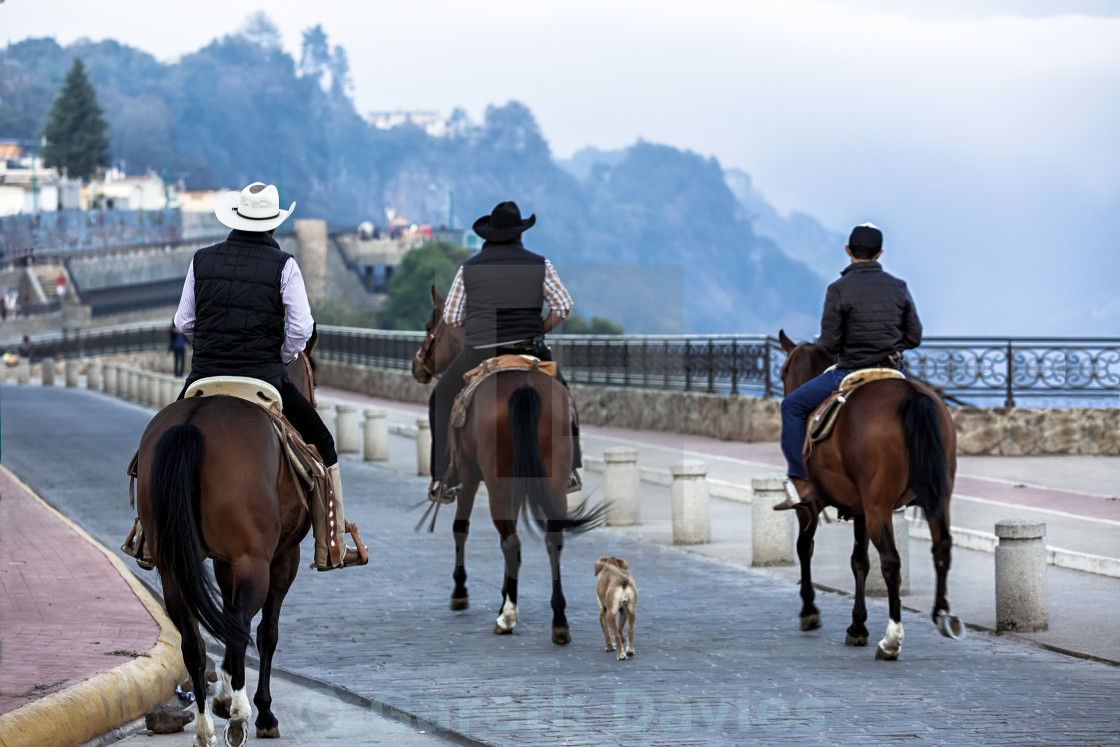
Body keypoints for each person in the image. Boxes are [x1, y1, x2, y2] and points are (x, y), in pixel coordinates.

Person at [164, 181, 365, 570]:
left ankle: (145, 534)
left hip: (204, 379)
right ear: (274, 225)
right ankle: (333, 546)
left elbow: (183, 321)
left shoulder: (201, 259)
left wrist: (209, 346)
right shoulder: (284, 265)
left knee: (160, 446)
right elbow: (302, 329)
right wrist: (280, 356)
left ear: (237, 218)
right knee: (323, 447)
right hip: (263, 378)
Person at [427, 201, 582, 503]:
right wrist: (540, 327)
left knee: (441, 399)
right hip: (529, 348)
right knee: (564, 396)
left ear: (489, 236)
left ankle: (444, 477)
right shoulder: (540, 263)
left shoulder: (468, 269)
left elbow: (454, 318)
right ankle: (571, 469)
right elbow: (564, 306)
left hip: (480, 352)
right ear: (519, 235)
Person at [774, 222, 923, 510]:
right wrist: (892, 347)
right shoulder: (899, 287)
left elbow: (829, 343)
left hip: (850, 371)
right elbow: (914, 336)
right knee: (923, 408)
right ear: (879, 253)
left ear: (848, 251)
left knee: (791, 406)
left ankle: (801, 482)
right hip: (892, 370)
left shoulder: (838, 288)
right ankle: (919, 479)